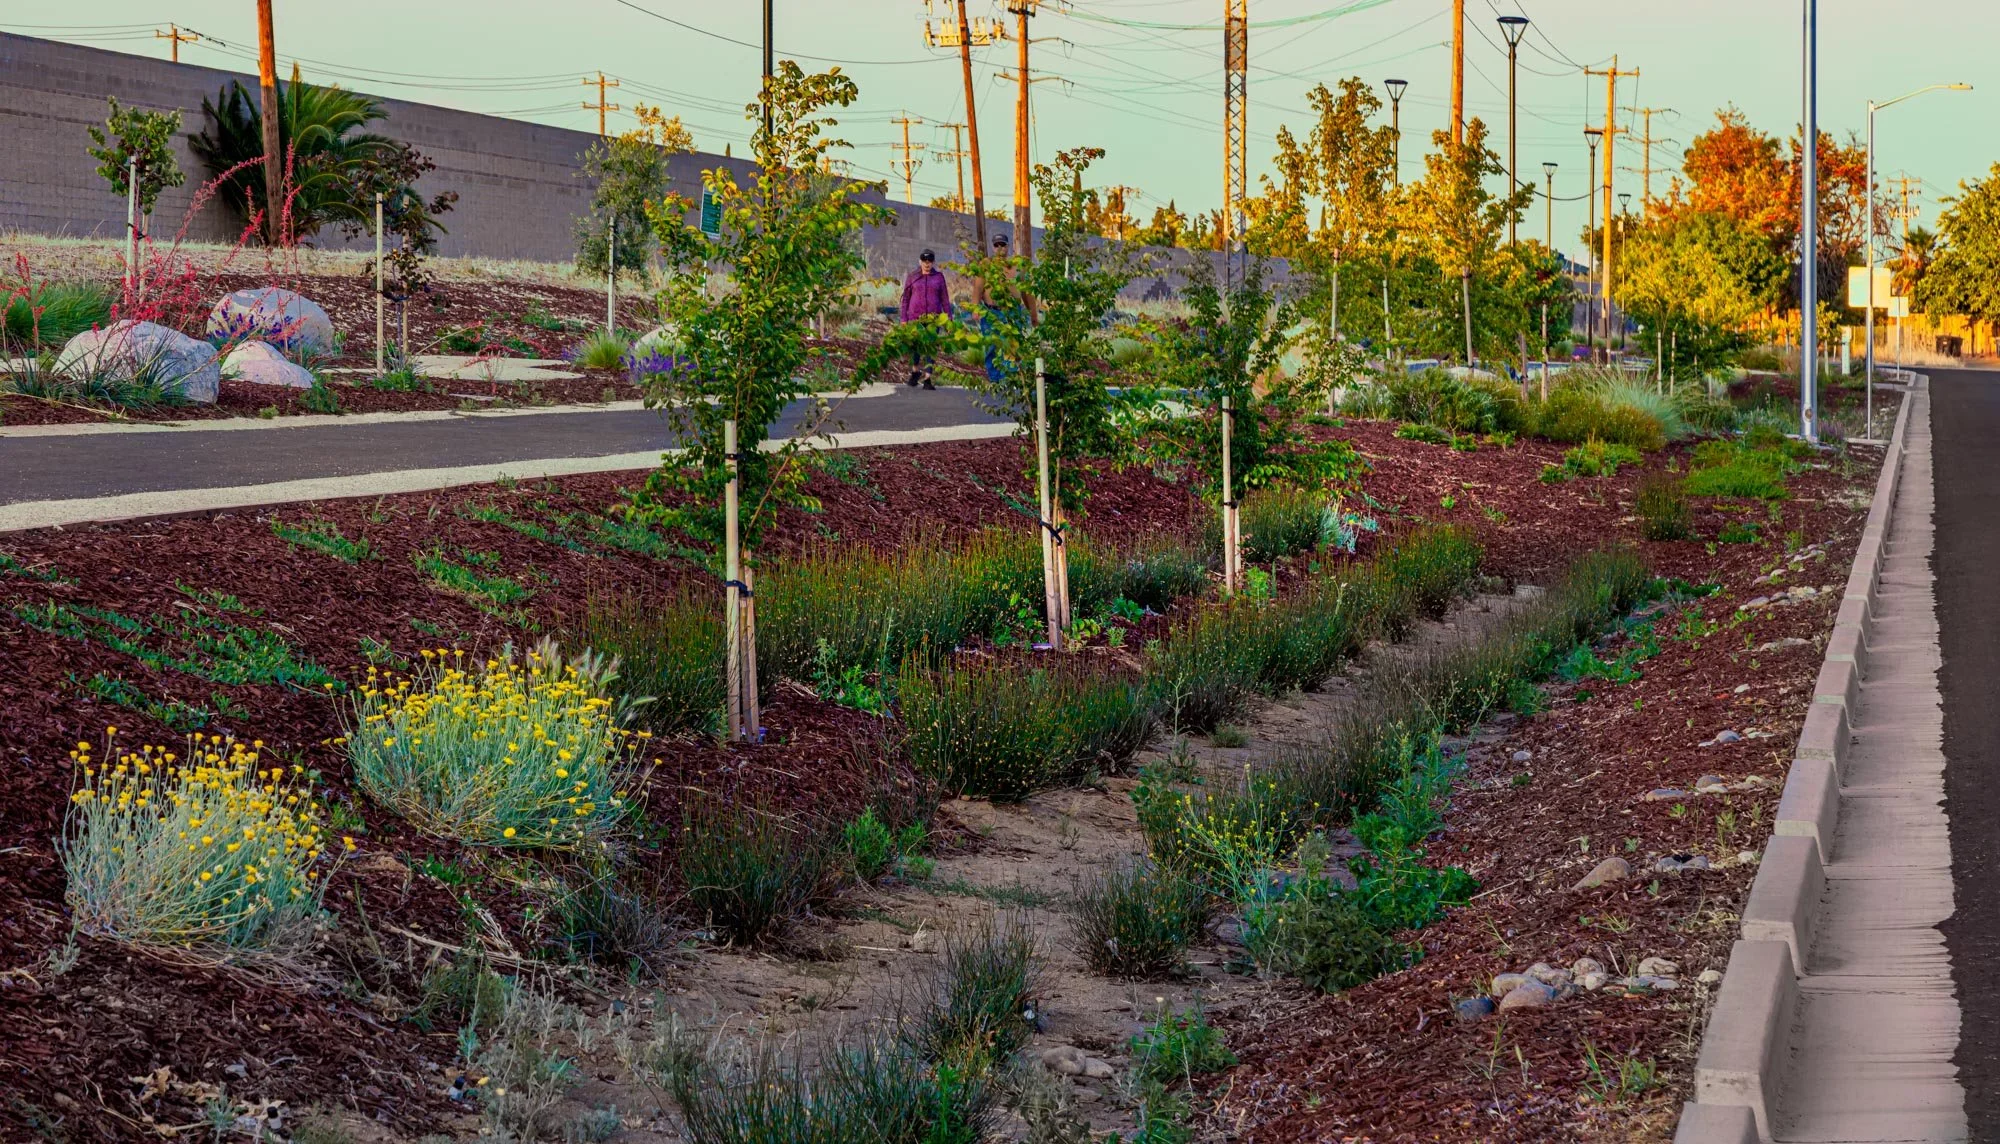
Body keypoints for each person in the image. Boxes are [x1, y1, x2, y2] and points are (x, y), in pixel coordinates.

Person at [898, 248, 952, 389]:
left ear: (933, 262)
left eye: (929, 261)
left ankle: (928, 378)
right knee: (915, 346)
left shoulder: (939, 277)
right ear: (920, 261)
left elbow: (945, 299)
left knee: (930, 347)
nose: (927, 264)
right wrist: (904, 318)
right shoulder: (913, 276)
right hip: (915, 318)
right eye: (924, 261)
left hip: (934, 319)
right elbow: (905, 300)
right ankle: (915, 371)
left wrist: (949, 320)